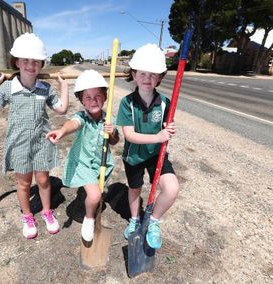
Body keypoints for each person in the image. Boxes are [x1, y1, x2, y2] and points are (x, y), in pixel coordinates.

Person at [0, 33, 69, 239]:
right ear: (16, 62)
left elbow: (62, 109)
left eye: (36, 61)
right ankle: (27, 215)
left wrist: (63, 87)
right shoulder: (8, 88)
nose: (31, 65)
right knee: (24, 184)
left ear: (41, 64)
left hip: (41, 143)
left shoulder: (45, 88)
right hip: (19, 144)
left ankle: (47, 212)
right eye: (25, 60)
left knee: (44, 181)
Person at [116, 43, 179, 249]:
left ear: (160, 77)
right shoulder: (127, 103)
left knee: (171, 189)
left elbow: (165, 127)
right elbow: (129, 135)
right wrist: (159, 136)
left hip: (156, 155)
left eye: (153, 74)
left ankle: (152, 221)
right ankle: (135, 218)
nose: (147, 78)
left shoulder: (165, 103)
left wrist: (168, 130)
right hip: (134, 156)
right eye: (142, 73)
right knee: (135, 189)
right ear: (133, 74)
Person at [46, 70, 119, 242]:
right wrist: (62, 131)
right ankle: (89, 218)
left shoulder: (109, 118)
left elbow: (114, 142)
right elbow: (73, 124)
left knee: (98, 192)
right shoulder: (81, 116)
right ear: (81, 100)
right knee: (94, 196)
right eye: (88, 97)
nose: (93, 101)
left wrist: (113, 132)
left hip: (101, 163)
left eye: (98, 96)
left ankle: (89, 198)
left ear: (105, 97)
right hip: (83, 163)